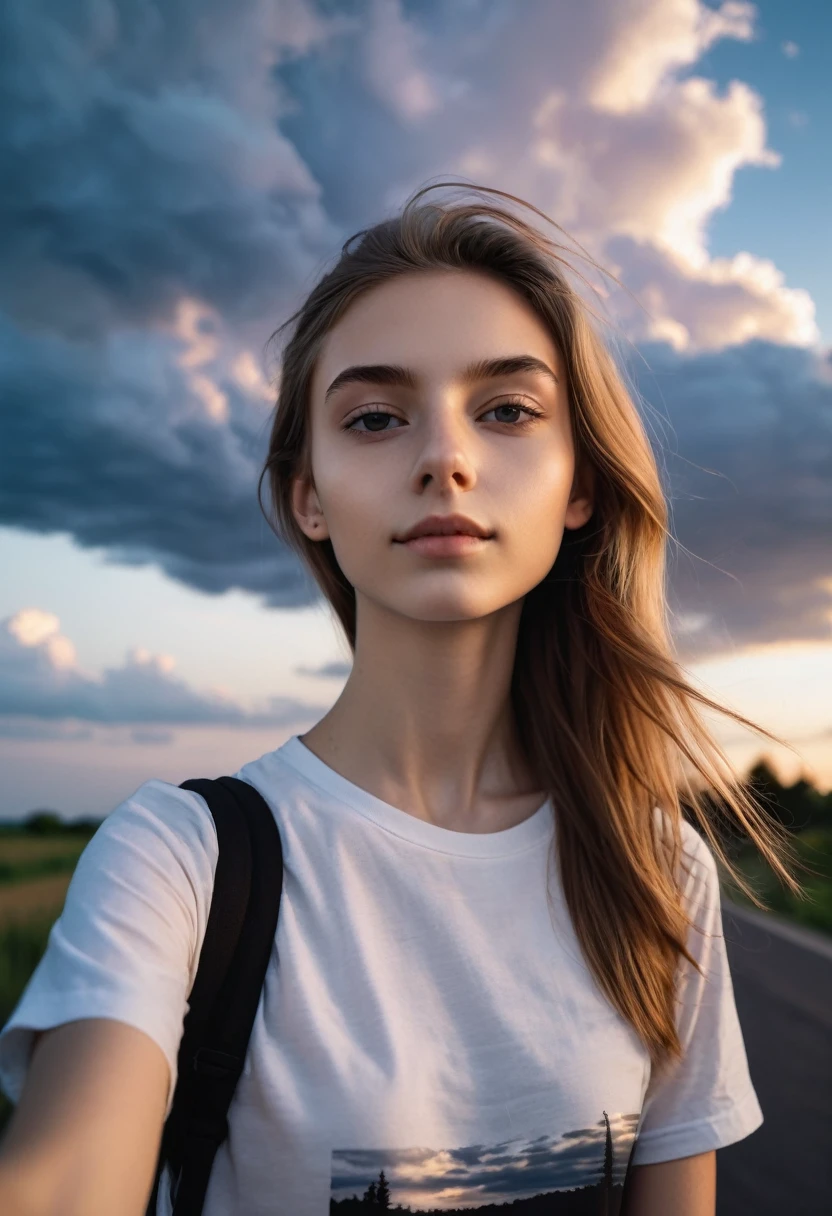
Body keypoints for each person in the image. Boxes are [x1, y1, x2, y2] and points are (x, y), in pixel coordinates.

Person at [0, 181, 801, 1216]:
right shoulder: (180, 860)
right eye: (375, 418)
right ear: (310, 497)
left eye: (507, 410)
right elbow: (65, 1179)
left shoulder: (655, 870)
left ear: (578, 487)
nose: (445, 459)